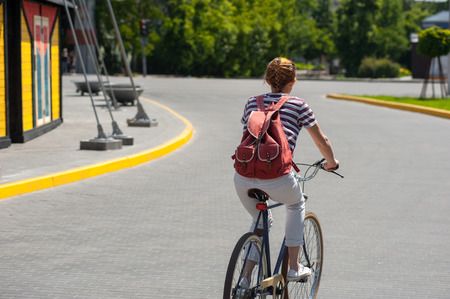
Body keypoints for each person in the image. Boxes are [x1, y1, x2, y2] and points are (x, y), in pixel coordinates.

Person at [233, 57, 339, 285]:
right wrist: (331, 162)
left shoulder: (252, 102)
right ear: (293, 81)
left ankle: (243, 279)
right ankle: (293, 267)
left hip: (242, 177)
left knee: (260, 221)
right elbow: (322, 141)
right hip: (277, 177)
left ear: (267, 80)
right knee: (296, 203)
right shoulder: (299, 105)